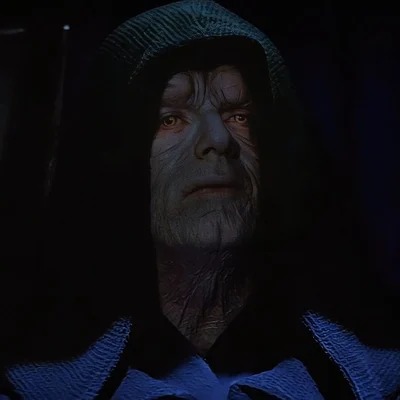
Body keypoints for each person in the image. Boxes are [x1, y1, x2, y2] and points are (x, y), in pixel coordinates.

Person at [2, 1, 400, 399]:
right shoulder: (29, 385)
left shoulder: (377, 378)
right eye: (170, 118)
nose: (219, 139)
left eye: (239, 116)